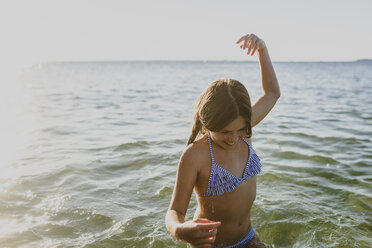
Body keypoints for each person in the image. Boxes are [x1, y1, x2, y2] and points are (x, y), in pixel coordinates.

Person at [165, 33, 280, 248]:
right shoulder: (196, 155)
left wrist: (262, 50)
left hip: (248, 238)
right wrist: (181, 230)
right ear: (207, 124)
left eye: (241, 129)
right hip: (212, 245)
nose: (234, 138)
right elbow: (175, 212)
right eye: (225, 132)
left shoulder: (242, 129)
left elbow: (272, 93)